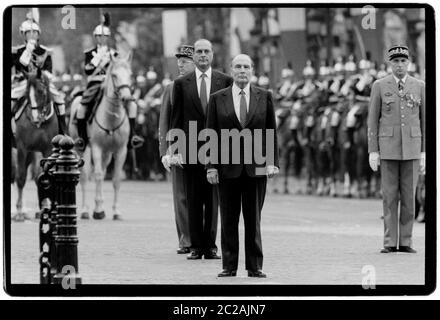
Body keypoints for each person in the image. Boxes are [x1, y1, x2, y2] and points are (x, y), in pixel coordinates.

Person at [205, 54, 279, 278]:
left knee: (253, 219)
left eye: (246, 67)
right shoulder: (218, 99)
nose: (242, 70)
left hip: (255, 168)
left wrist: (272, 162)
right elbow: (211, 134)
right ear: (231, 70)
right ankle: (229, 266)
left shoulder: (264, 96)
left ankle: (254, 266)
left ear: (252, 70)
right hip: (227, 169)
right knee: (228, 218)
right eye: (238, 66)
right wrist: (211, 166)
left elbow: (270, 132)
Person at [169, 39, 233, 260]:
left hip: (217, 150)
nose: (203, 55)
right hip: (189, 149)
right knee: (194, 199)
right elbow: (175, 120)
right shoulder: (181, 84)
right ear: (193, 56)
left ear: (212, 55)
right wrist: (174, 150)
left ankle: (211, 246)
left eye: (207, 51)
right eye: (199, 52)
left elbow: (230, 119)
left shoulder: (225, 81)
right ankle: (196, 246)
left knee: (214, 200)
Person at [367, 45, 425, 253]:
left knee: (410, 197)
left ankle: (406, 241)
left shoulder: (419, 86)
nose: (399, 65)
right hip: (388, 147)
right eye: (395, 62)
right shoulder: (379, 85)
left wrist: (424, 151)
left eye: (403, 61)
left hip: (412, 148)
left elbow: (425, 121)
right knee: (389, 196)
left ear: (408, 63)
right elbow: (373, 120)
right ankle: (390, 242)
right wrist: (373, 150)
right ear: (389, 63)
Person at [75, 14, 142, 151]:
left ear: (107, 37)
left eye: (104, 36)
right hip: (95, 83)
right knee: (81, 108)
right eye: (99, 36)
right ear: (96, 37)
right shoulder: (90, 53)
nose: (102, 39)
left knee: (133, 106)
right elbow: (87, 70)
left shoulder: (114, 53)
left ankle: (132, 136)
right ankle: (82, 138)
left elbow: (122, 69)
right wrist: (98, 58)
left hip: (113, 84)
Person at [159, 45, 195, 254]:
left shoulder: (209, 87)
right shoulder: (171, 88)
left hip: (204, 147)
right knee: (181, 195)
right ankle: (186, 239)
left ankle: (204, 239)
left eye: (185, 61)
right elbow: (164, 121)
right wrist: (165, 151)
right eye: (179, 61)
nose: (180, 64)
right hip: (178, 147)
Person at [11, 17, 67, 135]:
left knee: (59, 100)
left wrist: (41, 77)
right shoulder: (17, 51)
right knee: (11, 99)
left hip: (42, 82)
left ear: (38, 35)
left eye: (35, 33)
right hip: (23, 82)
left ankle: (63, 132)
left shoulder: (45, 51)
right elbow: (19, 66)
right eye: (29, 33)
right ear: (23, 35)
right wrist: (27, 51)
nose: (32, 35)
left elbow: (49, 71)